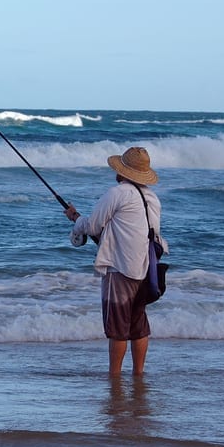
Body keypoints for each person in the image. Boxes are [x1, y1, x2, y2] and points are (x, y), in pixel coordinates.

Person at [63, 146, 168, 377]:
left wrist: (75, 218)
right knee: (138, 325)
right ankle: (138, 375)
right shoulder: (152, 199)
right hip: (145, 269)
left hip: (121, 268)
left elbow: (92, 226)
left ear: (123, 170)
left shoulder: (117, 193)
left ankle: (115, 378)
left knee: (118, 328)